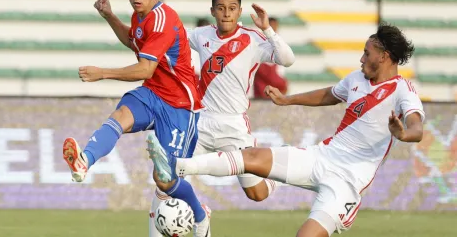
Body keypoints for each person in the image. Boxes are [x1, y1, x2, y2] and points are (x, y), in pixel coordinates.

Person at [148, 22, 425, 237]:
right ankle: (178, 166)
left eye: (367, 53)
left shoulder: (403, 91)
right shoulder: (356, 79)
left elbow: (417, 128)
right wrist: (287, 99)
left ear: (385, 57)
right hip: (322, 156)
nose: (361, 59)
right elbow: (330, 94)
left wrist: (402, 134)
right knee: (252, 157)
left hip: (347, 182)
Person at [61, 0, 210, 236]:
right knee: (119, 116)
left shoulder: (163, 19)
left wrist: (102, 73)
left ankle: (201, 215)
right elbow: (133, 42)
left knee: (165, 181)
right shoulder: (139, 16)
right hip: (153, 93)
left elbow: (145, 68)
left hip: (180, 105)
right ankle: (85, 160)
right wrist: (109, 15)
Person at [185, 0, 295, 201]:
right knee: (172, 180)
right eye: (221, 8)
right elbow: (171, 39)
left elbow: (288, 59)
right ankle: (197, 221)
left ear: (240, 11)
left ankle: (280, 163)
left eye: (232, 8)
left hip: (233, 125)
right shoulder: (201, 35)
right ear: (213, 11)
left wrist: (268, 30)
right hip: (201, 122)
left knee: (257, 194)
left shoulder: (252, 39)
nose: (227, 13)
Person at [253, 17, 288, 99]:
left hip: (275, 79)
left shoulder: (280, 42)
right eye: (271, 26)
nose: (273, 28)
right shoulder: (259, 41)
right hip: (262, 82)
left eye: (275, 26)